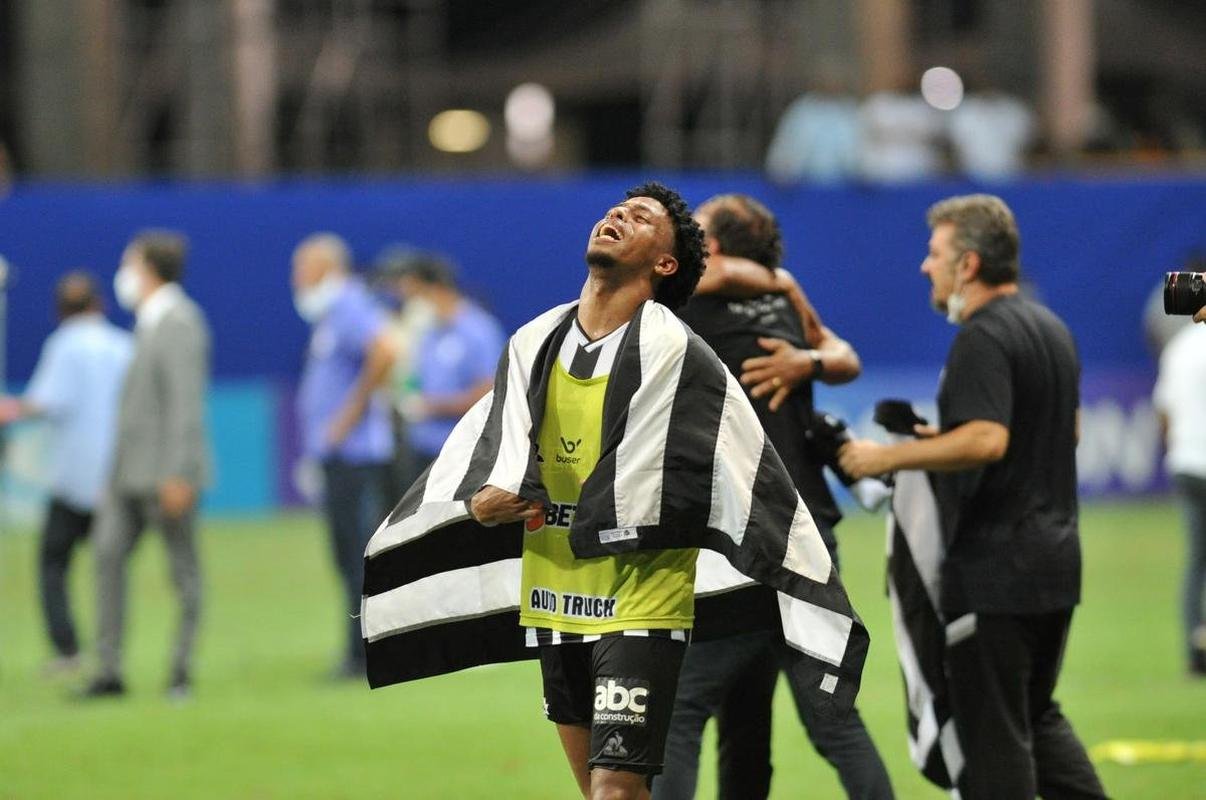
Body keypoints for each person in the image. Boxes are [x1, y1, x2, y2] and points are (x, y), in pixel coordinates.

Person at [361, 183, 869, 800]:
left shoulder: (680, 355)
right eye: (617, 209)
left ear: (665, 264)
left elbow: (746, 471)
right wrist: (478, 506)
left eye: (642, 218)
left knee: (615, 791)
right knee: (604, 793)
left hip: (642, 601)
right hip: (554, 598)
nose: (618, 215)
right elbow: (489, 448)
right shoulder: (533, 342)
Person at [838, 194, 1106, 798]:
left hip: (995, 570)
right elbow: (1066, 429)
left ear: (969, 266)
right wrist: (941, 441)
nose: (924, 266)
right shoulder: (1050, 327)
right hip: (1056, 563)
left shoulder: (982, 337)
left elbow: (988, 438)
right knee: (1035, 718)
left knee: (993, 742)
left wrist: (889, 455)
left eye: (935, 254)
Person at [655, 195, 891, 800]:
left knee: (680, 712)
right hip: (811, 534)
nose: (685, 237)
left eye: (698, 230)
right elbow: (845, 358)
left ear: (719, 247)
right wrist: (787, 301)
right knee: (795, 716)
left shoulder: (691, 300)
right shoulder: (784, 300)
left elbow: (841, 358)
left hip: (747, 538)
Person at [86, 231, 212, 699]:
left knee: (182, 574)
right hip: (128, 475)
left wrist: (179, 471)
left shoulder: (179, 321)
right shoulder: (148, 322)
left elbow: (185, 404)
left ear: (148, 269)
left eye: (129, 264)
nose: (124, 275)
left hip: (163, 475)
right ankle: (108, 670)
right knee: (106, 557)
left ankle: (180, 670)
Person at [0, 273, 132, 674]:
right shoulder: (124, 344)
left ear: (59, 311)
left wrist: (11, 408)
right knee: (111, 569)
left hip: (74, 480)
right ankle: (111, 653)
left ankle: (69, 650)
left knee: (53, 562)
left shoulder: (63, 345)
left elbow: (45, 402)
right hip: (118, 475)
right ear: (100, 304)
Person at [292, 233, 397, 679]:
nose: (296, 281)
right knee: (346, 555)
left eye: (301, 271)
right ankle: (358, 650)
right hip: (340, 453)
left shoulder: (349, 306)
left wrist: (349, 413)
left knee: (356, 555)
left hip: (354, 454)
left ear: (324, 269)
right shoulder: (334, 314)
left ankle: (361, 654)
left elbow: (386, 349)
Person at [392, 253, 504, 474]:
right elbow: (416, 379)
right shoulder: (428, 333)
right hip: (422, 449)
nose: (412, 304)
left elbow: (488, 393)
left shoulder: (479, 331)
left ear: (435, 289)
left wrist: (431, 406)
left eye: (416, 296)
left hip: (462, 451)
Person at [1154, 319, 1206, 676]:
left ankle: (1194, 650)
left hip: (1187, 462)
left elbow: (1164, 410)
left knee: (1196, 561)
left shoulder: (1180, 346)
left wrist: (1174, 446)